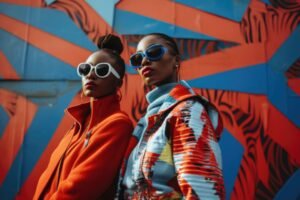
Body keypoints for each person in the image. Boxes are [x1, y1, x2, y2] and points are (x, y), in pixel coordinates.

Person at [117, 33, 225, 199]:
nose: (145, 61)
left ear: (176, 60)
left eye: (154, 53)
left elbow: (203, 191)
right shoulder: (146, 122)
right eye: (138, 59)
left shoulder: (187, 111)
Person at [34, 34, 133, 200]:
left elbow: (78, 189)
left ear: (119, 82)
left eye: (101, 70)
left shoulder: (117, 124)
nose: (91, 75)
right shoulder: (78, 125)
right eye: (85, 69)